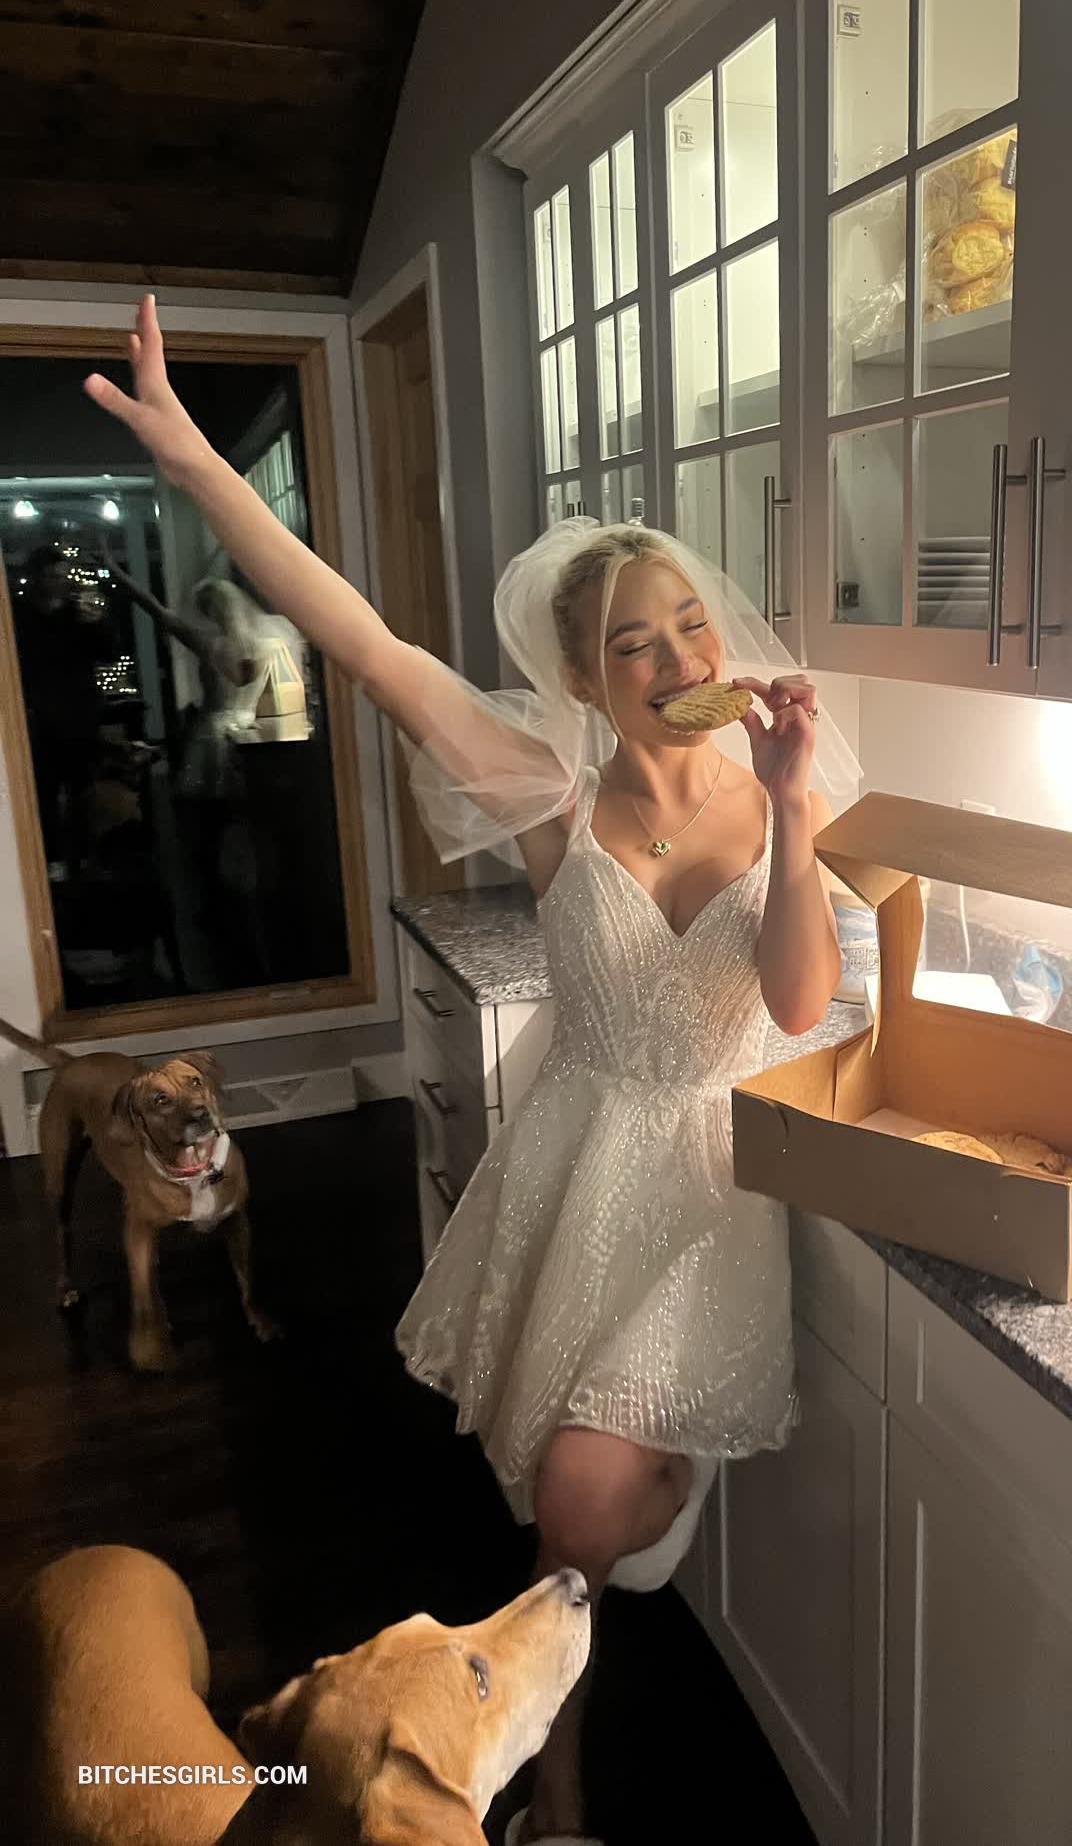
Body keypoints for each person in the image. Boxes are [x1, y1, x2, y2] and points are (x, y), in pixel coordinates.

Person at [85, 295, 861, 1846]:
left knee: (577, 1497)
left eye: (687, 626)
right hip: (576, 1163)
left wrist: (787, 812)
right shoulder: (551, 794)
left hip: (710, 1184)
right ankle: (563, 1763)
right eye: (629, 642)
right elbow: (365, 644)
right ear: (582, 675)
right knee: (556, 1500)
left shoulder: (780, 790)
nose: (673, 657)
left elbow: (796, 997)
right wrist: (199, 469)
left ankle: (614, 1608)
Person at [11, 544, 119, 878]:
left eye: (60, 575)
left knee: (82, 789)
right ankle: (55, 858)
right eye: (51, 576)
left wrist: (96, 622)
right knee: (43, 790)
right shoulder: (19, 615)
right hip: (38, 713)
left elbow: (109, 652)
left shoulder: (77, 612)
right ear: (36, 577)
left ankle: (83, 856)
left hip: (78, 712)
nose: (58, 581)